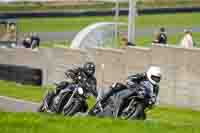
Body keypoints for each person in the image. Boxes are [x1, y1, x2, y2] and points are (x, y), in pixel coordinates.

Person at [97, 66, 162, 111]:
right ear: (150, 74)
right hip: (133, 90)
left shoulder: (156, 87)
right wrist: (137, 86)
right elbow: (129, 79)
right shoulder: (143, 75)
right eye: (154, 77)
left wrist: (152, 102)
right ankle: (102, 100)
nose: (155, 80)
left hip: (143, 98)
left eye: (157, 78)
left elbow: (154, 98)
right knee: (117, 85)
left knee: (142, 117)